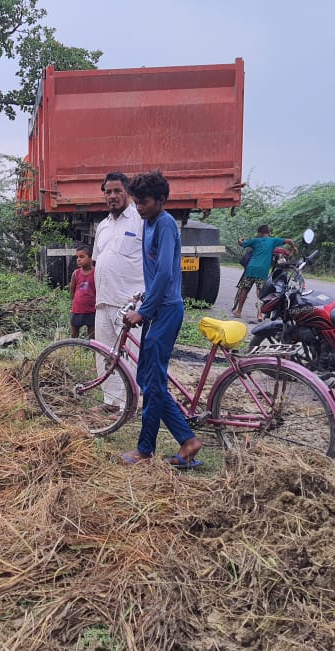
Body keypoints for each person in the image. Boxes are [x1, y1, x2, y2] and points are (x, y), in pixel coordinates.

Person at [119, 171, 201, 469]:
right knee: (147, 380)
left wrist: (144, 310)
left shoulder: (165, 225)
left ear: (161, 201)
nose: (138, 207)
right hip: (157, 307)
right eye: (136, 201)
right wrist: (144, 296)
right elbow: (155, 273)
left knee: (152, 384)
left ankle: (144, 451)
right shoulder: (149, 223)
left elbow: (167, 272)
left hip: (166, 311)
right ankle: (188, 441)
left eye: (144, 202)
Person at [91, 172, 145, 410]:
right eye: (108, 192)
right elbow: (96, 261)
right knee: (105, 353)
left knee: (131, 357)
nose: (112, 196)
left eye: (117, 191)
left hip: (129, 303)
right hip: (103, 301)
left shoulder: (140, 221)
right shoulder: (103, 226)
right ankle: (111, 401)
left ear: (128, 193)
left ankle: (128, 406)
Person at [232, 225, 293, 322]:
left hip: (251, 268)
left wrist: (240, 240)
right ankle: (259, 314)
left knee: (245, 290)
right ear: (269, 233)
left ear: (260, 233)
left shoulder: (255, 240)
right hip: (263, 270)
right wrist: (294, 248)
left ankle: (239, 312)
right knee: (260, 293)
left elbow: (241, 243)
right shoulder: (273, 241)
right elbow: (289, 241)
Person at [68, 244, 96, 338]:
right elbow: (72, 291)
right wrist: (74, 304)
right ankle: (73, 351)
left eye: (82, 257)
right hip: (77, 309)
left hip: (92, 310)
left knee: (92, 336)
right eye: (77, 257)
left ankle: (93, 352)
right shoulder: (76, 274)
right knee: (74, 334)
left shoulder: (96, 273)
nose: (78, 259)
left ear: (91, 258)